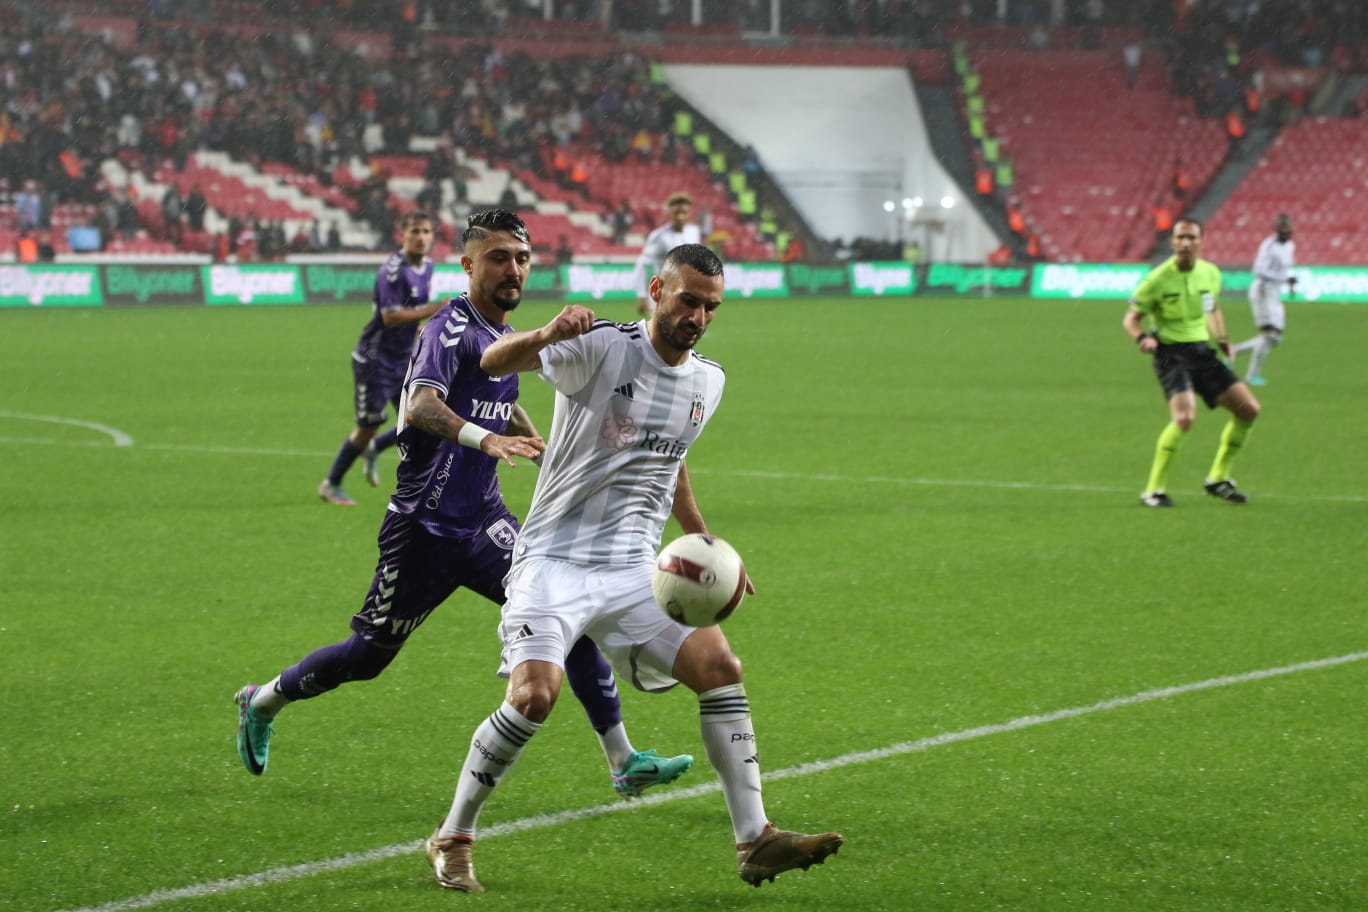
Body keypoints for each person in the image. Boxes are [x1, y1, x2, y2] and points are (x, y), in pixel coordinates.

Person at [424, 243, 843, 893]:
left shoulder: (710, 381)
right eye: (688, 300)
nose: (698, 316)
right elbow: (491, 360)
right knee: (534, 697)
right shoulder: (600, 346)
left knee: (721, 668)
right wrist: (545, 331)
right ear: (656, 290)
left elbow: (671, 460)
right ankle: (452, 835)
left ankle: (755, 839)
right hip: (553, 559)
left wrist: (708, 547)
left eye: (711, 307)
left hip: (633, 569)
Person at [236, 209, 690, 802]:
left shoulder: (502, 335)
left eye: (522, 258)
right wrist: (487, 438)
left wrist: (539, 444)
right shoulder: (449, 327)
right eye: (498, 257)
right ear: (468, 264)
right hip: (422, 531)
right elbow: (423, 405)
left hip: (485, 525)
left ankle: (623, 759)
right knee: (367, 657)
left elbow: (501, 396)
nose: (513, 269)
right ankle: (263, 699)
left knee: (566, 623)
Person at [1123, 218, 1262, 508]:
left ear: (1201, 241)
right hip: (1170, 354)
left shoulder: (1210, 274)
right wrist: (1141, 339)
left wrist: (1221, 337)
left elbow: (1212, 308)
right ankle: (1153, 491)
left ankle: (1218, 479)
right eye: (1181, 238)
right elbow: (1131, 318)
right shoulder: (1156, 280)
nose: (1186, 243)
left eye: (1192, 238)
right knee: (1184, 418)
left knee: (1248, 409)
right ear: (1172, 242)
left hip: (1202, 353)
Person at [318, 211, 440, 505]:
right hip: (375, 360)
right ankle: (331, 483)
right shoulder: (392, 271)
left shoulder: (427, 267)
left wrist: (422, 326)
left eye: (426, 231)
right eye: (415, 232)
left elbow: (411, 309)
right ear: (403, 235)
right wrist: (434, 309)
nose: (421, 237)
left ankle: (377, 451)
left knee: (420, 418)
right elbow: (389, 316)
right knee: (367, 426)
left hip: (403, 358)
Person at [1232, 213, 1295, 386]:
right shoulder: (1268, 246)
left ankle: (1234, 351)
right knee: (1270, 335)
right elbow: (1258, 270)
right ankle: (1252, 375)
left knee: (1275, 337)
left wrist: (1290, 282)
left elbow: (1287, 267)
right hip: (1262, 289)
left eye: (1288, 228)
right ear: (1277, 230)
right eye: (1283, 228)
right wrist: (1283, 278)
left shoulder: (1290, 246)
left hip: (1274, 292)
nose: (1287, 231)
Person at [631, 191, 701, 316]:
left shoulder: (693, 232)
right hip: (665, 294)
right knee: (665, 334)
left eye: (684, 212)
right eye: (676, 213)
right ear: (669, 214)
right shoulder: (659, 237)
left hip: (688, 294)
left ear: (689, 214)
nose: (680, 217)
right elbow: (642, 265)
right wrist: (642, 296)